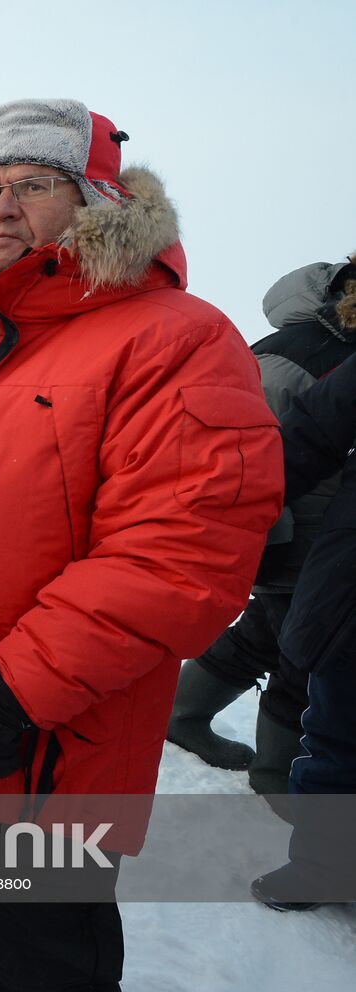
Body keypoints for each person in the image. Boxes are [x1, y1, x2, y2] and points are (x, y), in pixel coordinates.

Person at [0, 99, 283, 992]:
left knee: (47, 977)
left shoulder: (178, 339)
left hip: (47, 766)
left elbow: (179, 555)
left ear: (95, 199)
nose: (0, 208)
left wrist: (12, 697)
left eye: (30, 185)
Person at [167, 257, 356, 794]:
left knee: (268, 632)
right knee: (304, 650)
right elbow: (255, 449)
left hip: (300, 528)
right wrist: (263, 531)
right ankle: (276, 774)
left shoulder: (316, 347)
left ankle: (184, 714)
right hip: (297, 532)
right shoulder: (300, 354)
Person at [251, 348, 356, 911]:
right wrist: (234, 507)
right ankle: (325, 866)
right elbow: (306, 434)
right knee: (338, 734)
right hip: (350, 593)